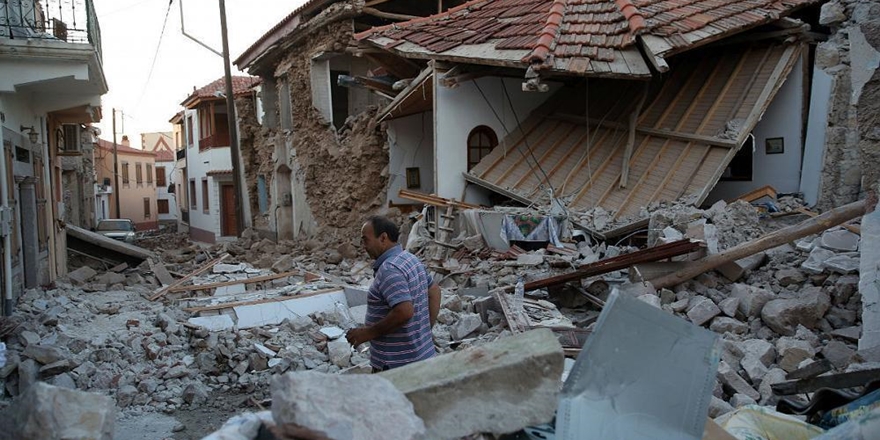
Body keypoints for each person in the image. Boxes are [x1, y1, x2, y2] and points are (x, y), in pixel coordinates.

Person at [346, 215, 440, 372]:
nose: (363, 246)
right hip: (422, 356)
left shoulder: (389, 269)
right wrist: (425, 330)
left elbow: (404, 311)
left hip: (398, 367)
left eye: (366, 240)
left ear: (383, 238)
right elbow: (435, 291)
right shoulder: (409, 258)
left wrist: (368, 333)